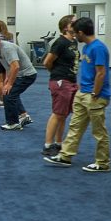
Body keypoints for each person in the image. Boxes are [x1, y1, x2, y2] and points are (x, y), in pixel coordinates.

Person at [44, 17, 111, 172]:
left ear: (81, 33)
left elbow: (101, 73)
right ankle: (65, 156)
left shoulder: (98, 48)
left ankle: (103, 163)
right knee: (75, 126)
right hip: (83, 93)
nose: (74, 36)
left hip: (95, 96)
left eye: (76, 33)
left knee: (99, 132)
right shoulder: (86, 47)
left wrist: (95, 92)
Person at [0, 30, 36, 131]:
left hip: (27, 75)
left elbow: (15, 66)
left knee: (8, 94)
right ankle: (24, 116)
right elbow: (9, 67)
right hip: (20, 74)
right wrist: (7, 80)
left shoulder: (7, 48)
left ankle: (13, 123)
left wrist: (9, 84)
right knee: (11, 93)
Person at [41, 15, 78, 156]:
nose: (76, 24)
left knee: (64, 114)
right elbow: (47, 62)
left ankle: (58, 143)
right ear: (65, 27)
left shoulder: (73, 42)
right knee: (57, 113)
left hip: (70, 81)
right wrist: (57, 75)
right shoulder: (60, 42)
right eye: (73, 23)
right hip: (60, 81)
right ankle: (48, 145)